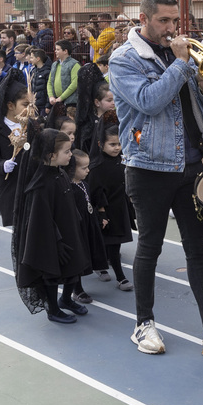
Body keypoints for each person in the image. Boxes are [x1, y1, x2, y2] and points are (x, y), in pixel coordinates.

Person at [108, 0, 203, 357]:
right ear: (143, 19)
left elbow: (196, 110)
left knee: (198, 249)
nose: (172, 28)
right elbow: (149, 102)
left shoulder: (182, 57)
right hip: (148, 166)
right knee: (150, 248)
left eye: (176, 21)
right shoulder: (124, 59)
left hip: (190, 166)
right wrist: (180, 65)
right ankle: (144, 324)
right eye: (164, 21)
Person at [11, 128, 90, 323]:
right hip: (53, 238)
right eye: (66, 151)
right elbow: (41, 218)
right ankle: (53, 309)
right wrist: (57, 240)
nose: (70, 155)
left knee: (75, 267)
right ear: (50, 155)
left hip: (70, 231)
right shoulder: (41, 184)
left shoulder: (60, 173)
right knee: (52, 274)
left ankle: (66, 300)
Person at [0, 76, 36, 226]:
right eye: (25, 104)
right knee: (18, 225)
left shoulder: (32, 126)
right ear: (10, 105)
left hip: (31, 184)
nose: (29, 108)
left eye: (31, 104)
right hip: (9, 187)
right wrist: (3, 165)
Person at [90, 123, 133, 292]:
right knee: (103, 243)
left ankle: (115, 273)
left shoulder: (122, 160)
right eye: (112, 144)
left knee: (115, 245)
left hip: (119, 208)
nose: (117, 148)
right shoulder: (97, 166)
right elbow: (95, 191)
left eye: (119, 144)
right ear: (101, 144)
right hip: (105, 211)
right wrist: (102, 212)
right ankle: (118, 276)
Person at [65, 148, 108, 303]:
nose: (88, 170)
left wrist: (98, 218)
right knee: (78, 258)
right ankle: (77, 289)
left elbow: (90, 204)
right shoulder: (68, 187)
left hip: (89, 226)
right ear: (71, 169)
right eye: (83, 168)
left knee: (87, 254)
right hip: (77, 228)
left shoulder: (84, 185)